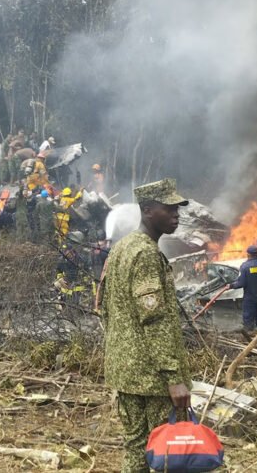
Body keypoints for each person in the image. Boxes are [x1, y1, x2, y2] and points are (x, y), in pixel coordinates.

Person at [97, 178, 191, 473]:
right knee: (165, 454)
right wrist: (174, 377)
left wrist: (121, 352)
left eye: (178, 209)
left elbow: (103, 307)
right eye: (170, 208)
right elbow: (155, 320)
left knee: (135, 448)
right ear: (149, 210)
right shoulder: (147, 254)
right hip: (153, 379)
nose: (177, 215)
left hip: (125, 372)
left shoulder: (122, 248)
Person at [225, 245, 257, 333]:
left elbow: (241, 283)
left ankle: (249, 335)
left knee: (248, 318)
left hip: (250, 298)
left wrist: (231, 286)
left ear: (248, 255)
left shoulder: (245, 267)